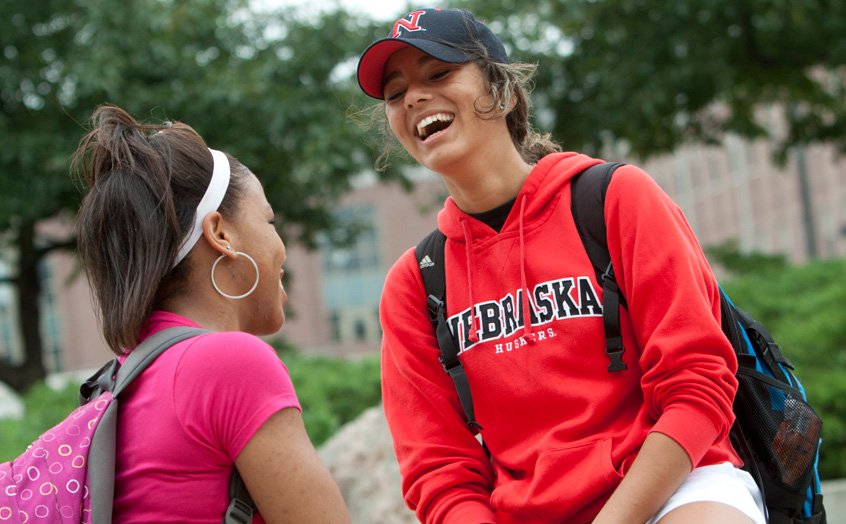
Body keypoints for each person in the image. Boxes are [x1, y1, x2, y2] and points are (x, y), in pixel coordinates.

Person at [356, 8, 767, 524]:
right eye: (396, 94)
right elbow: (439, 471)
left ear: (503, 92)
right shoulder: (416, 283)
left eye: (438, 73)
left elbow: (697, 384)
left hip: (675, 487)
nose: (414, 97)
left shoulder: (615, 199)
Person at [72, 104, 351, 524]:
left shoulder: (121, 382)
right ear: (220, 233)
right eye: (270, 220)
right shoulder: (229, 363)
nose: (281, 245)